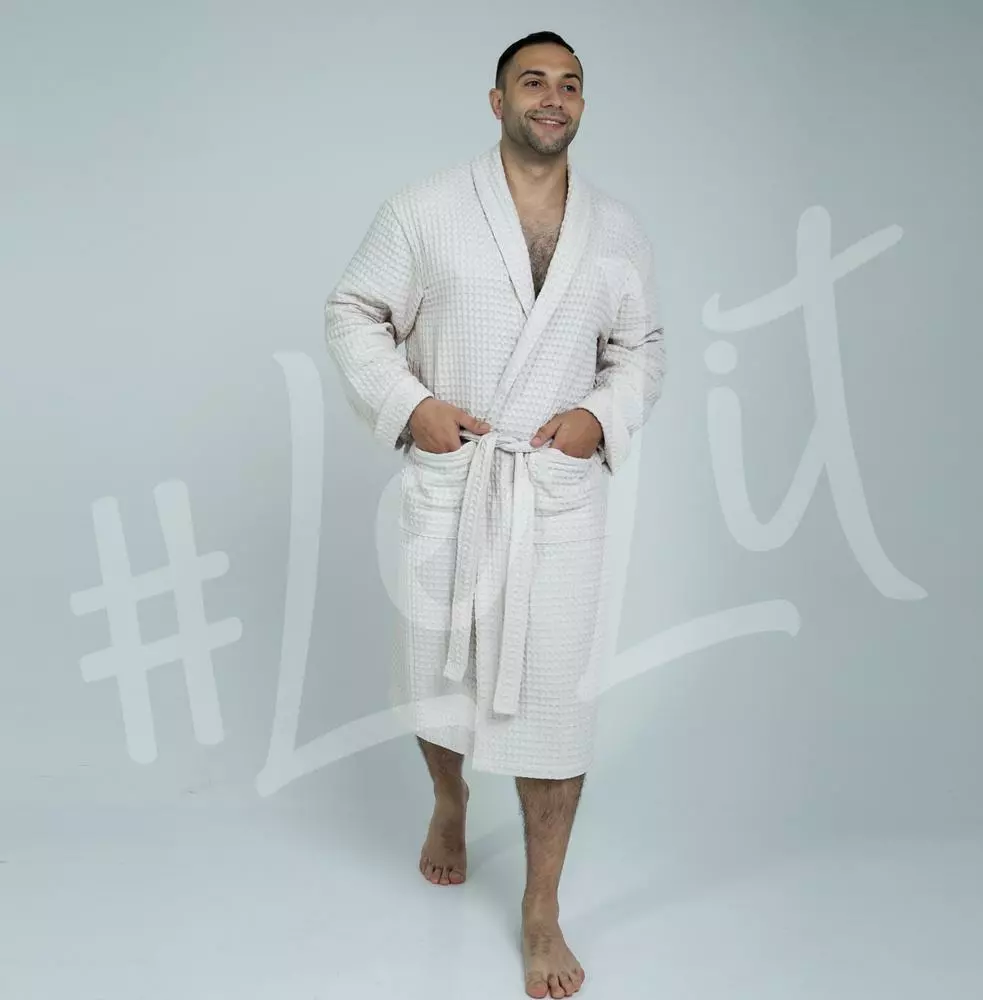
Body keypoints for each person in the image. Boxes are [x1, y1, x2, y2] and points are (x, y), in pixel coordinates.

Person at [325, 30, 665, 999]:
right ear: (496, 100)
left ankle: (541, 906)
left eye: (570, 85)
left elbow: (642, 348)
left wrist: (597, 418)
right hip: (459, 479)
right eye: (533, 82)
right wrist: (411, 407)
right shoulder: (424, 209)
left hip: (552, 493)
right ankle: (448, 799)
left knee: (557, 700)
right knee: (436, 677)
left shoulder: (615, 229)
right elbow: (353, 311)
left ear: (582, 106)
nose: (552, 98)